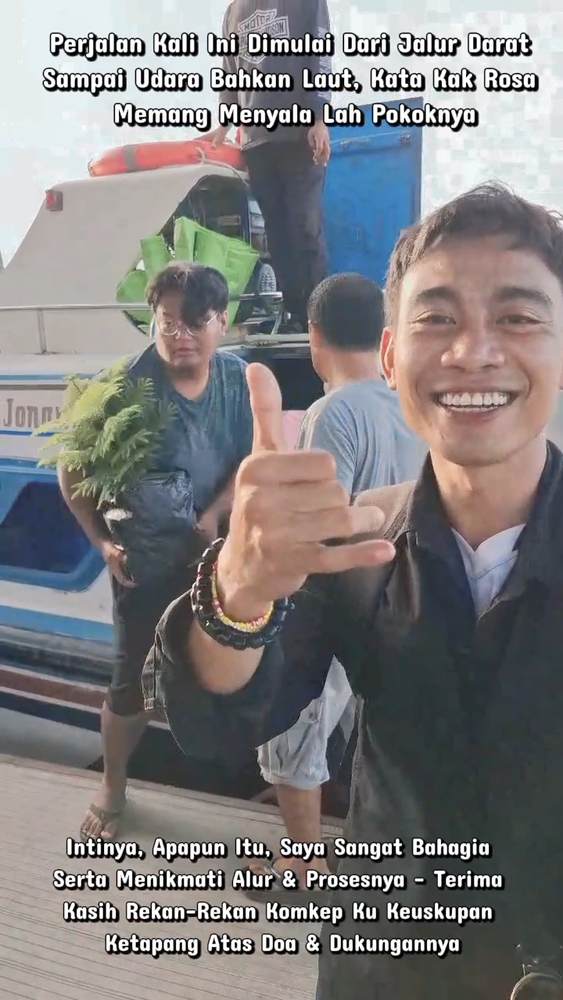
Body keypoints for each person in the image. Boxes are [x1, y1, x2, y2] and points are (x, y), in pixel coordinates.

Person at [145, 182, 563, 999]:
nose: (472, 351)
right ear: (389, 357)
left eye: (518, 317)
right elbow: (216, 723)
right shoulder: (359, 547)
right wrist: (239, 591)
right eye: (436, 318)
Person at [58, 262, 254, 841]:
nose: (180, 335)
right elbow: (71, 472)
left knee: (229, 673)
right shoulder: (120, 387)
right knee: (129, 687)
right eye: (168, 321)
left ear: (222, 322)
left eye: (196, 322)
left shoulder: (238, 380)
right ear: (152, 320)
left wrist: (215, 512)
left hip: (218, 561)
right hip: (143, 568)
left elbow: (251, 460)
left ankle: (236, 782)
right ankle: (112, 786)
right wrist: (103, 544)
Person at [249, 273, 426, 894]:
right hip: (394, 601)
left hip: (338, 604)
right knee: (358, 736)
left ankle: (302, 867)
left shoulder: (333, 411)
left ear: (314, 335)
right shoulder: (408, 406)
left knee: (295, 734)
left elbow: (320, 525)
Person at [205, 0, 332, 332]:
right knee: (276, 232)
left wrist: (319, 118)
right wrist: (224, 123)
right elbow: (229, 70)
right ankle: (293, 314)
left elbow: (319, 54)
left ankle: (318, 319)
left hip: (297, 134)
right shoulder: (234, 10)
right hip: (256, 141)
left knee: (305, 227)